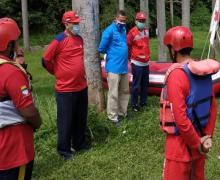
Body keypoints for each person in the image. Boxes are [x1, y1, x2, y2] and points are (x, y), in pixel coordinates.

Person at [160, 26, 219, 180]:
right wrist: (207, 137)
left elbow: (180, 119)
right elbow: (213, 107)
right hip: (200, 145)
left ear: (173, 49)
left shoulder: (176, 75)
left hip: (179, 150)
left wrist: (196, 143)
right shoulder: (202, 71)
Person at [42, 11, 90, 160]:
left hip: (81, 86)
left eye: (77, 23)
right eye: (74, 23)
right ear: (66, 23)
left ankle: (79, 144)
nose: (77, 26)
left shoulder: (80, 39)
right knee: (65, 121)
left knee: (80, 118)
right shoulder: (59, 40)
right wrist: (56, 72)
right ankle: (63, 149)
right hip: (65, 90)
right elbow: (45, 60)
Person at [0, 18, 42, 180]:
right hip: (13, 149)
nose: (18, 47)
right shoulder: (11, 73)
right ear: (8, 45)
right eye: (15, 43)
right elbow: (28, 112)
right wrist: (38, 123)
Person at [98, 10, 129, 125]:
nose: (123, 22)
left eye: (124, 20)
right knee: (113, 93)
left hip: (124, 67)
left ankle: (122, 113)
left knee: (125, 91)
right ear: (115, 19)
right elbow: (101, 48)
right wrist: (112, 54)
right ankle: (112, 117)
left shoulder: (123, 30)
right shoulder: (109, 31)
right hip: (113, 68)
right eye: (121, 20)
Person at [127, 12, 150, 112]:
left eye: (143, 21)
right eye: (140, 21)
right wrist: (129, 59)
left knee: (145, 84)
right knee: (136, 85)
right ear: (136, 21)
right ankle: (134, 104)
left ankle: (143, 101)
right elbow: (128, 46)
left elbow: (146, 45)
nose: (142, 22)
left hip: (146, 63)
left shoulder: (146, 31)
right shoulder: (132, 33)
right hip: (137, 63)